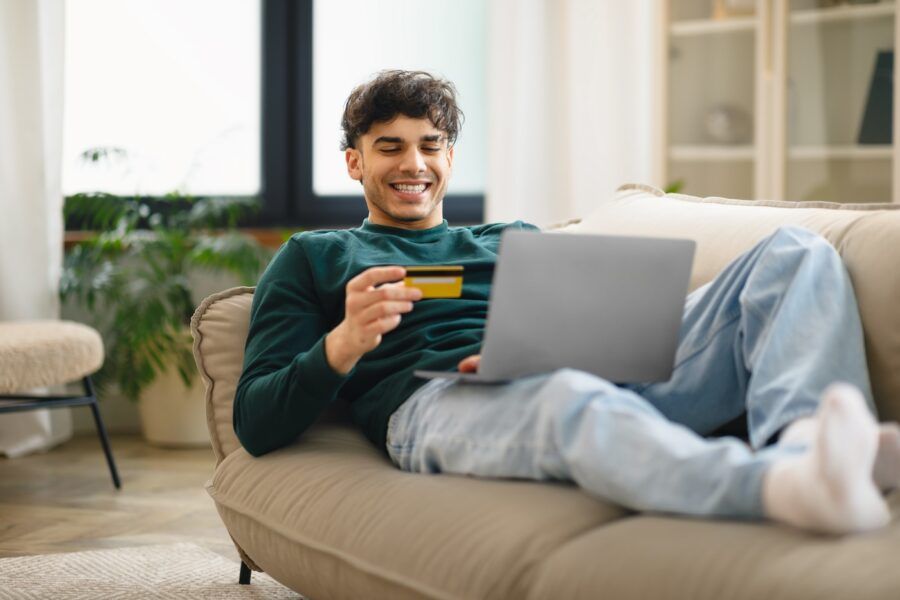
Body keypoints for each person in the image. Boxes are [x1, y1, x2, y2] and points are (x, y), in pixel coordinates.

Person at [235, 69, 900, 535]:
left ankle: (816, 444)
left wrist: (611, 331)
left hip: (598, 373)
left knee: (795, 252)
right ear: (354, 162)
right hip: (434, 404)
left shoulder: (514, 238)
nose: (414, 164)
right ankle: (784, 488)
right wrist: (343, 344)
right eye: (390, 148)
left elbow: (603, 327)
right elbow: (256, 420)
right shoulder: (316, 256)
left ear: (450, 156)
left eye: (429, 145)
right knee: (563, 396)